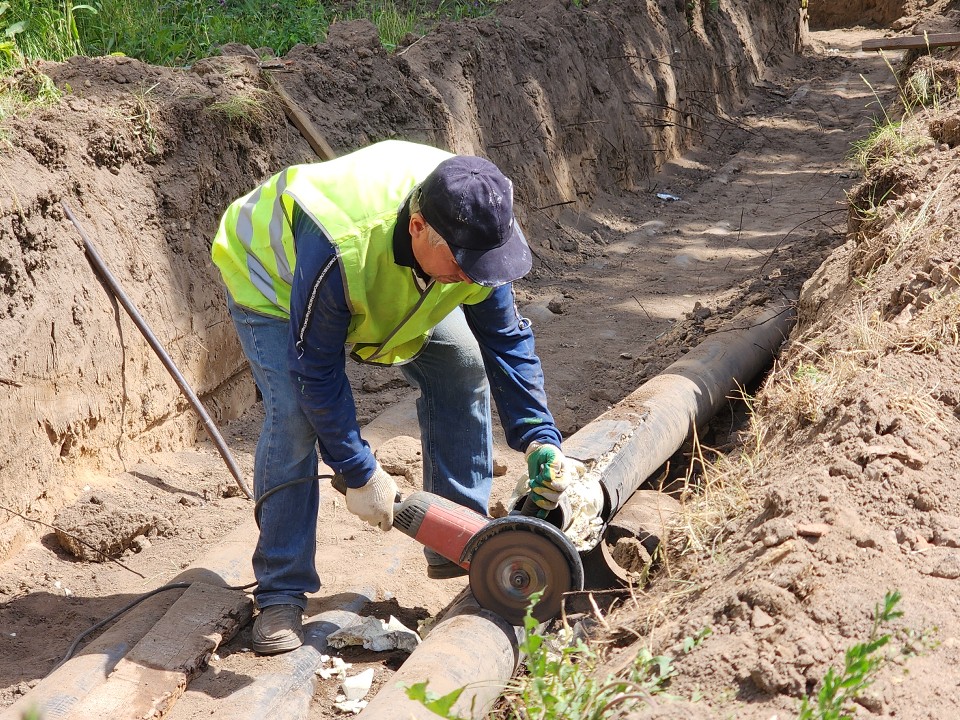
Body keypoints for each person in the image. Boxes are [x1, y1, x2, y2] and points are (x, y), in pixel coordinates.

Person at [211, 139, 583, 654]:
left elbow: (505, 339)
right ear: (417, 228)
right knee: (296, 414)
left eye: (482, 266)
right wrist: (359, 470)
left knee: (461, 362)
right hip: (275, 281)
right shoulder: (340, 245)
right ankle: (281, 591)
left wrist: (541, 436)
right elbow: (315, 372)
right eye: (464, 265)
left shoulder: (475, 232)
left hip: (385, 281)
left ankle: (462, 544)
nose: (474, 279)